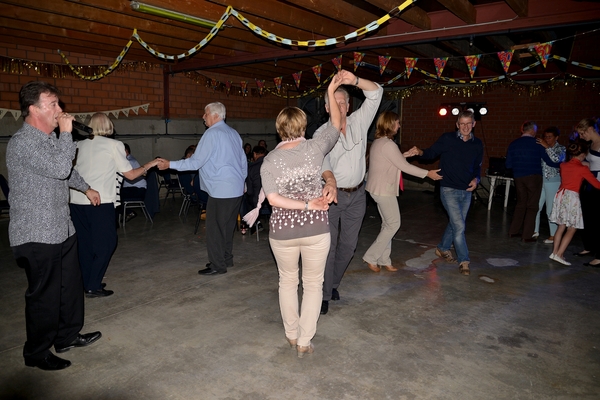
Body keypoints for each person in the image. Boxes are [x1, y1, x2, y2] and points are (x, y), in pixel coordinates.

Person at [6, 81, 102, 370]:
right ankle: (35, 353)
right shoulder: (23, 142)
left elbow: (66, 172)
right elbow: (60, 167)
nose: (61, 110)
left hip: (62, 227)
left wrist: (86, 188)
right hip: (37, 232)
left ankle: (67, 336)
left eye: (59, 104)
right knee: (44, 297)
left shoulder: (48, 139)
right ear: (34, 109)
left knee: (70, 288)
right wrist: (66, 134)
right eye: (53, 105)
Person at [255, 72, 343, 358]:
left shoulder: (269, 160)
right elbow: (337, 123)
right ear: (303, 126)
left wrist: (302, 205)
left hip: (282, 233)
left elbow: (273, 198)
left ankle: (291, 335)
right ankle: (305, 340)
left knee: (287, 282)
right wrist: (330, 90)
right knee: (314, 284)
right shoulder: (315, 147)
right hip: (316, 230)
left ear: (279, 129)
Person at [314, 70, 383, 315]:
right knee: (329, 247)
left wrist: (354, 81)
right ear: (326, 106)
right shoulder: (322, 133)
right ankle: (323, 294)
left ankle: (332, 284)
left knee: (349, 246)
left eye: (343, 102)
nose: (340, 106)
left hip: (357, 196)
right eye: (335, 101)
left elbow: (376, 93)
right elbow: (320, 161)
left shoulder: (359, 121)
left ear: (348, 105)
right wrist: (330, 180)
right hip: (332, 197)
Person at [70, 113, 157, 298]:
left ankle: (88, 282)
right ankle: (93, 286)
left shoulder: (78, 144)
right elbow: (131, 175)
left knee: (84, 245)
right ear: (109, 127)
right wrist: (150, 164)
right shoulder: (114, 145)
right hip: (100, 201)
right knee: (107, 244)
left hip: (77, 200)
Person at [157, 102, 247, 275]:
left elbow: (195, 162)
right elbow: (243, 161)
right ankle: (226, 260)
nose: (203, 117)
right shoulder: (233, 133)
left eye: (205, 114)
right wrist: (242, 183)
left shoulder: (211, 133)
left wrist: (170, 164)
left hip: (221, 190)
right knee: (227, 228)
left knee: (214, 230)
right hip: (235, 189)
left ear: (215, 115)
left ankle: (217, 265)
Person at [405, 110, 483, 276]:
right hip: (448, 189)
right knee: (460, 225)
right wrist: (420, 152)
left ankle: (442, 248)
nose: (465, 127)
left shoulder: (478, 144)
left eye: (468, 123)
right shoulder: (448, 139)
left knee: (456, 223)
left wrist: (476, 180)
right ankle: (464, 260)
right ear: (457, 125)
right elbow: (431, 153)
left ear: (474, 124)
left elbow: (477, 167)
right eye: (462, 124)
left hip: (466, 191)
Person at [363, 111, 442, 272]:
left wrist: (405, 154)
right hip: (384, 190)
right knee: (393, 224)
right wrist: (428, 174)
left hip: (377, 188)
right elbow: (404, 167)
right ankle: (371, 257)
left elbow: (392, 160)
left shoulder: (380, 142)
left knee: (387, 224)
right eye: (397, 123)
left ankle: (384, 259)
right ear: (391, 124)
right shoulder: (389, 144)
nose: (399, 126)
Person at [506, 121, 561, 242]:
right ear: (532, 130)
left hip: (518, 177)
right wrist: (560, 164)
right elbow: (550, 162)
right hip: (533, 177)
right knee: (532, 206)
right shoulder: (537, 143)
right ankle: (527, 235)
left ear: (522, 129)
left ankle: (513, 231)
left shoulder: (513, 144)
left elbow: (508, 164)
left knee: (520, 204)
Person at [548, 141, 600, 265]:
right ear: (583, 154)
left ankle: (554, 252)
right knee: (572, 228)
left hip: (561, 195)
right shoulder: (582, 169)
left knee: (561, 226)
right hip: (572, 197)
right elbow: (597, 184)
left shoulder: (563, 165)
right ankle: (560, 254)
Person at [573, 118, 600, 267]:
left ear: (590, 129)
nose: (581, 137)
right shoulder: (591, 144)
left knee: (597, 220)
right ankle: (590, 247)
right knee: (587, 218)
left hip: (598, 186)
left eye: (582, 133)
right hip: (590, 186)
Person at [534, 127, 566, 243]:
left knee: (550, 209)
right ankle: (535, 231)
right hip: (541, 180)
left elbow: (557, 160)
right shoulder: (541, 147)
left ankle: (553, 234)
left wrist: (547, 147)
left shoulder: (561, 148)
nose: (547, 139)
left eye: (550, 137)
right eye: (545, 137)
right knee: (536, 206)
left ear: (556, 137)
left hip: (554, 181)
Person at [241, 145, 267, 235]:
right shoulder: (271, 164)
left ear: (255, 154)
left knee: (245, 200)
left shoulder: (252, 168)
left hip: (258, 198)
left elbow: (250, 190)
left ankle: (251, 224)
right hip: (272, 196)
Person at [120, 143, 148, 222]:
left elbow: (130, 177)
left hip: (137, 189)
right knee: (116, 195)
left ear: (126, 152)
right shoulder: (128, 160)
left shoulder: (129, 162)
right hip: (133, 188)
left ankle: (129, 212)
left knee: (116, 197)